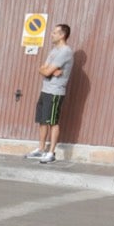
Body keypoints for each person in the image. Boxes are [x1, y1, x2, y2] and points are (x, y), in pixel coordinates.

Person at [28, 23, 72, 164]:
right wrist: (51, 71)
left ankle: (51, 152)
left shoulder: (65, 51)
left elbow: (46, 71)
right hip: (45, 89)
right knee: (42, 120)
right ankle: (41, 149)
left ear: (62, 35)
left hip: (55, 92)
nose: (51, 34)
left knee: (53, 122)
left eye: (54, 32)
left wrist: (48, 70)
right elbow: (42, 69)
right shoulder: (53, 51)